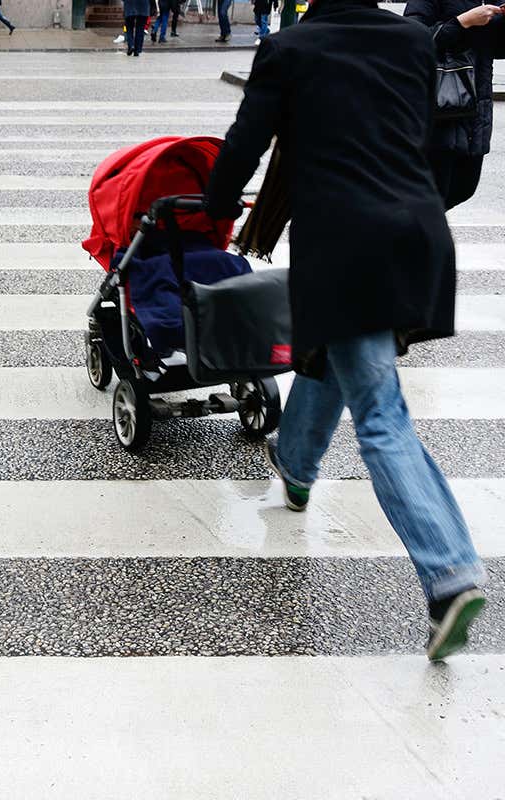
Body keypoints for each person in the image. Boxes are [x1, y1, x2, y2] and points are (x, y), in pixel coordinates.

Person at [206, 0, 487, 661]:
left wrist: (219, 207)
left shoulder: (290, 49)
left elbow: (247, 142)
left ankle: (450, 573)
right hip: (416, 234)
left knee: (381, 416)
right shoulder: (410, 41)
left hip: (344, 244)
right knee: (341, 353)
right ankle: (296, 463)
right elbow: (418, 130)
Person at [406, 0, 505, 209]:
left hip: (477, 108)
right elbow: (410, 42)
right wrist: (463, 22)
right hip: (441, 107)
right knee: (432, 195)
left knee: (463, 188)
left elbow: (496, 48)